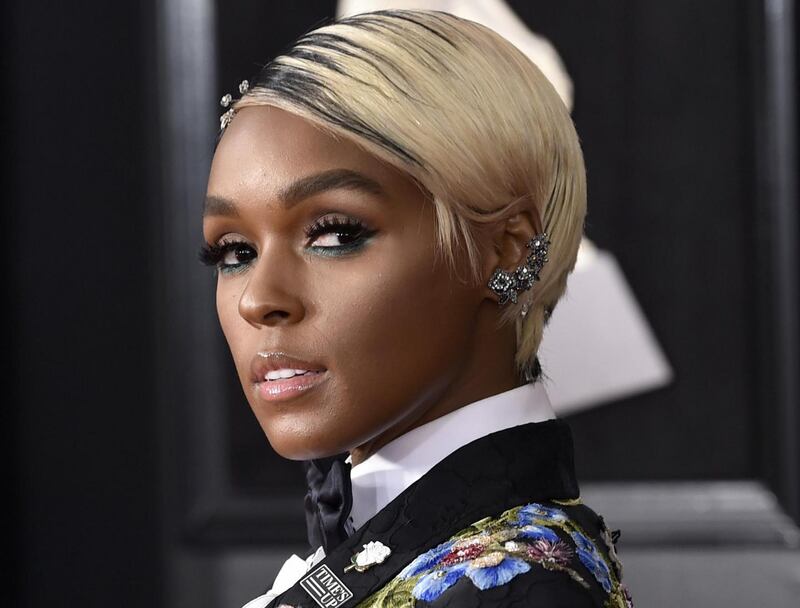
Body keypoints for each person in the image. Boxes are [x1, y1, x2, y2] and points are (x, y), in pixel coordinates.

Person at [200, 9, 633, 608]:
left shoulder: (516, 589)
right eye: (234, 252)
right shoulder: (419, 548)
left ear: (505, 250)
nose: (258, 299)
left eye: (335, 234)